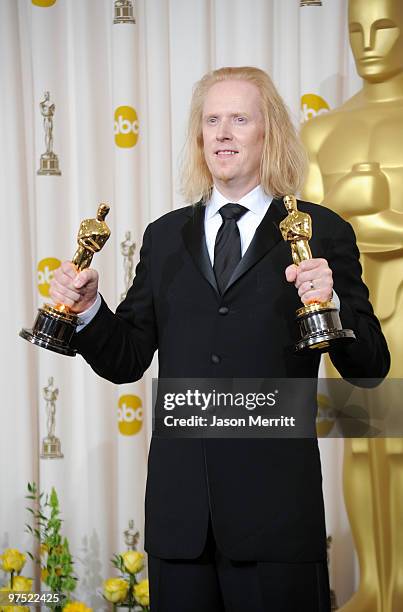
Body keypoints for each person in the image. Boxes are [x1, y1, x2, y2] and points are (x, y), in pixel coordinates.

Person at [50, 66, 390, 612]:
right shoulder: (164, 237)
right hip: (181, 524)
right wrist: (90, 310)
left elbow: (370, 367)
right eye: (212, 120)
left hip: (277, 523)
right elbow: (127, 359)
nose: (223, 132)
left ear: (269, 133)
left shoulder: (321, 230)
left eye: (239, 118)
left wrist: (332, 305)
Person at [300, 0, 403, 609]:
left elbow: (342, 229)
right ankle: (373, 585)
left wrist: (365, 221)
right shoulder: (321, 132)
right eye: (356, 28)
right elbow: (311, 232)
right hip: (353, 307)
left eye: (385, 25)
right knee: (362, 444)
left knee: (400, 445)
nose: (369, 42)